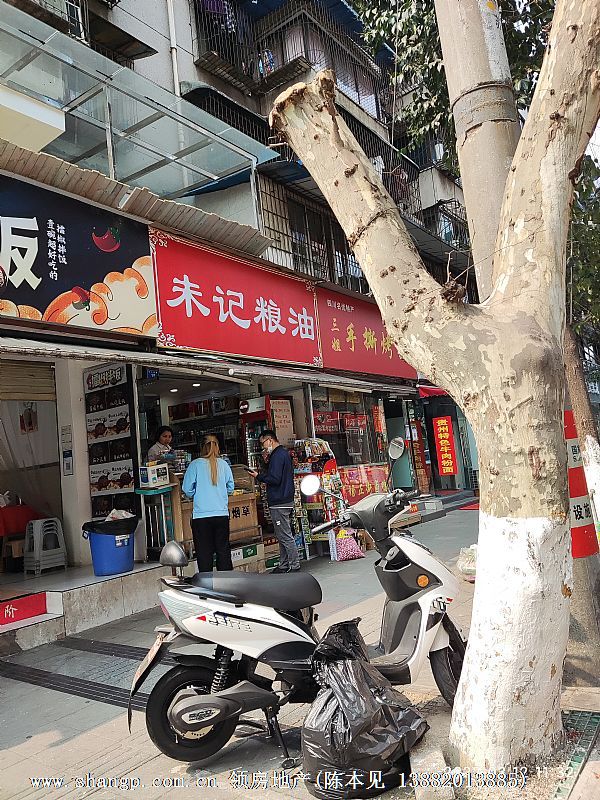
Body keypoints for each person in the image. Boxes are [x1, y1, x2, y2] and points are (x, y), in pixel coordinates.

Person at [182, 434, 235, 572]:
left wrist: (196, 494)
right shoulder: (224, 464)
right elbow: (230, 488)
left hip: (201, 516)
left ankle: (206, 582)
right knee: (223, 550)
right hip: (221, 514)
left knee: (204, 553)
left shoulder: (195, 465)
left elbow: (187, 489)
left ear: (202, 447)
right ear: (217, 447)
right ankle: (226, 581)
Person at [250, 430, 299, 573]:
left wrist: (259, 476)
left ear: (270, 440)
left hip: (279, 501)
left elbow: (275, 479)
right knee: (282, 535)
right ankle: (284, 564)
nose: (263, 447)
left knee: (285, 536)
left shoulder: (277, 455)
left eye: (263, 443)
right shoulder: (283, 453)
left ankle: (294, 565)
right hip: (285, 499)